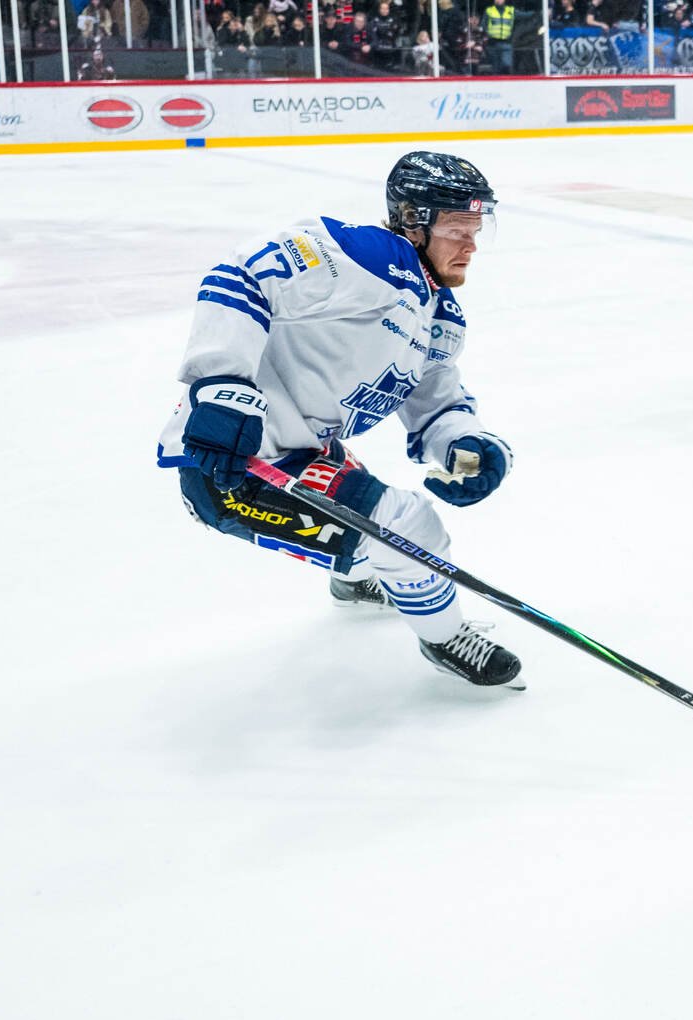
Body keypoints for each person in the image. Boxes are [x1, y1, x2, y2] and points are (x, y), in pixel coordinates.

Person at [155, 152, 524, 689]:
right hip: (235, 465)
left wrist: (463, 443)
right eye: (454, 228)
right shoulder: (368, 256)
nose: (469, 243)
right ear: (411, 221)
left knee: (367, 515)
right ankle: (445, 637)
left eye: (476, 228)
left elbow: (434, 401)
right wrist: (224, 384)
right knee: (406, 527)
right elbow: (240, 275)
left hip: (305, 452)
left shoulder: (438, 311)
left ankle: (353, 579)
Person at [482, 0, 514, 72]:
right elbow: (483, 25)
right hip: (493, 43)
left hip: (506, 42)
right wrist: (488, 35)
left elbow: (524, 15)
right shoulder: (489, 10)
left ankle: (506, 80)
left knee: (507, 64)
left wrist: (539, 13)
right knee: (495, 67)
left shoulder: (511, 10)